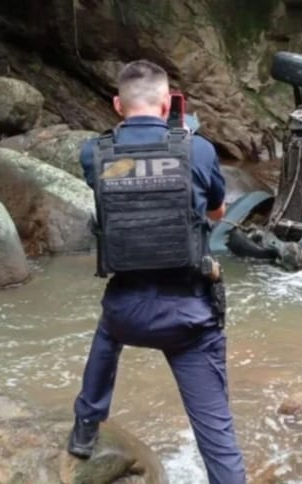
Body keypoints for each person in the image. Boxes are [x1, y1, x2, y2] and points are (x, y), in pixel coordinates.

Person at [69, 60, 246, 484]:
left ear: (117, 105)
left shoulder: (94, 153)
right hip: (188, 318)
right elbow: (218, 211)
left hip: (125, 311)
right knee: (218, 437)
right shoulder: (198, 150)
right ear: (168, 103)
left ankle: (85, 429)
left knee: (107, 329)